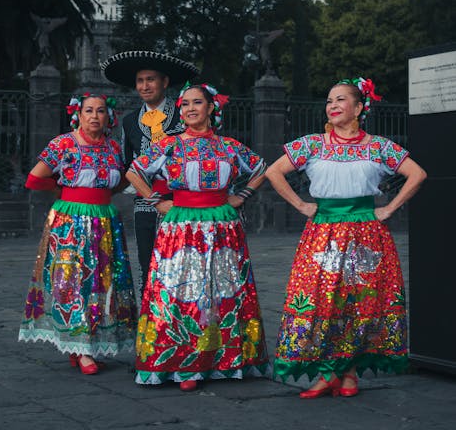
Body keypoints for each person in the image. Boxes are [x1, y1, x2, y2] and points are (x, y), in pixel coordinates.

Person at [266, 77, 427, 398]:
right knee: (321, 300)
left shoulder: (378, 146)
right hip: (323, 231)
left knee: (358, 302)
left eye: (340, 100)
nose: (333, 106)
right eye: (329, 101)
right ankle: (327, 372)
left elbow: (417, 174)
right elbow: (273, 172)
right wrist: (301, 205)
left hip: (367, 233)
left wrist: (389, 208)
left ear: (358, 107)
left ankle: (349, 372)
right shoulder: (312, 144)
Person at [125, 82, 270, 391]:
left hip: (222, 224)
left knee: (223, 290)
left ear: (210, 108)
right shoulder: (169, 145)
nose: (190, 108)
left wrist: (241, 195)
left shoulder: (229, 146)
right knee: (183, 291)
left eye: (197, 103)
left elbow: (261, 169)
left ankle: (224, 360)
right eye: (185, 104)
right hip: (181, 225)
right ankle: (184, 362)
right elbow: (134, 172)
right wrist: (157, 201)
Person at [18, 93, 138, 374]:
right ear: (78, 115)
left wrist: (103, 193)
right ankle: (79, 346)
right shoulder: (64, 144)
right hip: (71, 222)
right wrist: (63, 192)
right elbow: (35, 178)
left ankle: (86, 344)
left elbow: (120, 180)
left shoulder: (112, 147)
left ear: (109, 117)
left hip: (105, 220)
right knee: (73, 281)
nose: (94, 116)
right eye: (88, 111)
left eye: (100, 111)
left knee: (102, 282)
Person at [101, 50, 200, 296]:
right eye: (140, 81)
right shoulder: (130, 121)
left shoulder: (184, 113)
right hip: (145, 201)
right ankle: (150, 320)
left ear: (164, 82)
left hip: (183, 200)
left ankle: (183, 318)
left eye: (150, 79)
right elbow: (127, 163)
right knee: (147, 261)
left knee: (185, 260)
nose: (145, 86)